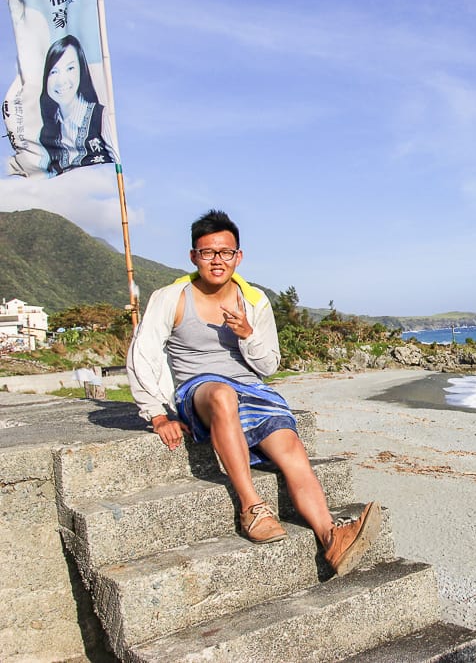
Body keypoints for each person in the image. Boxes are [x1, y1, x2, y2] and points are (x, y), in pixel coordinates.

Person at [126, 210, 381, 576]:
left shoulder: (254, 301)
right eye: (208, 252)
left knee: (292, 449)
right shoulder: (171, 297)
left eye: (226, 252)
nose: (217, 260)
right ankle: (252, 507)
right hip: (199, 390)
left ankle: (331, 537)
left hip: (252, 390)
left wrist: (247, 334)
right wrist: (156, 412)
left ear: (238, 256)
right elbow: (143, 352)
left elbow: (268, 366)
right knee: (222, 396)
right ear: (193, 256)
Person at [38, 35, 118, 176]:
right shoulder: (47, 132)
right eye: (54, 72)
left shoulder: (100, 118)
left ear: (82, 70)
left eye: (70, 68)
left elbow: (114, 158)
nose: (61, 80)